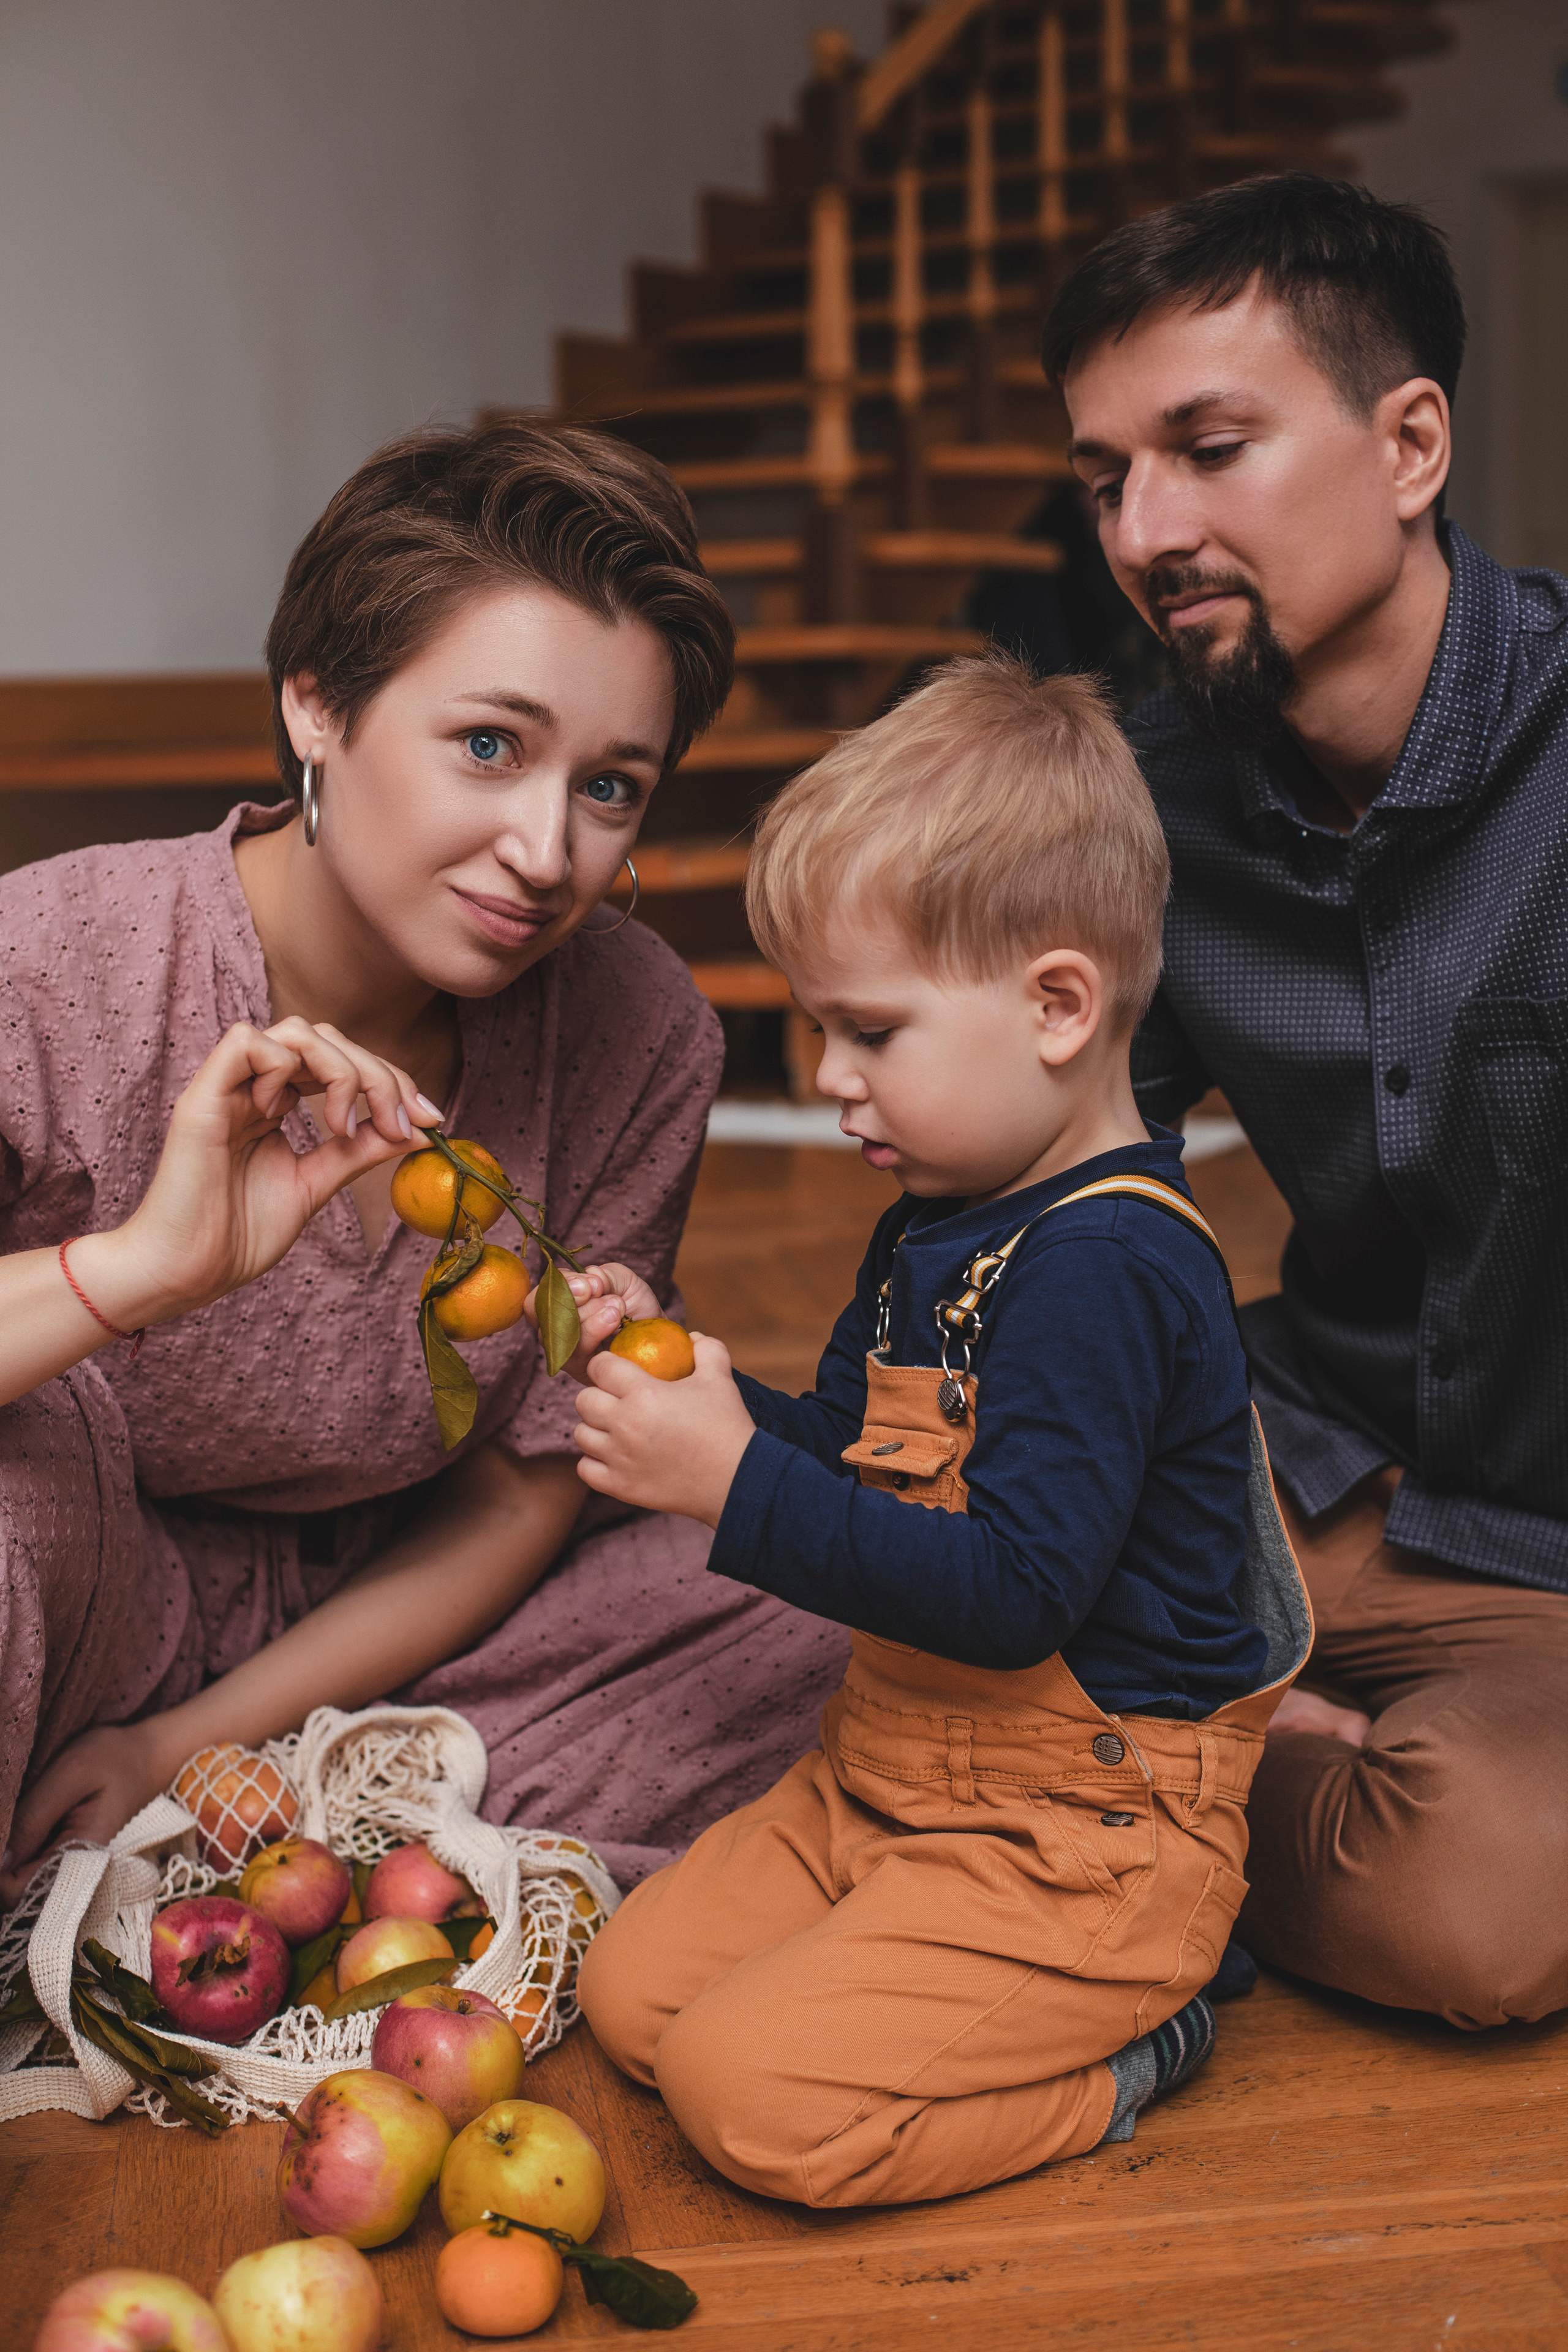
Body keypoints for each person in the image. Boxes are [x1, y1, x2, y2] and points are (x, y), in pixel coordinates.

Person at [0, 419, 850, 1907]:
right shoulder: (52, 967)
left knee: (830, 1573)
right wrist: (141, 1273)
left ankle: (260, 1827)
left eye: (610, 787)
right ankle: (335, 1848)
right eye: (488, 746)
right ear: (316, 706)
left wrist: (183, 1751)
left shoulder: (637, 1031)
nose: (545, 850)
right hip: (71, 1586)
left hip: (418, 1638)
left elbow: (520, 1496)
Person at [567, 655, 1311, 2209]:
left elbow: (1008, 1595)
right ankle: (972, 1982)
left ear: (1055, 1004)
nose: (831, 1080)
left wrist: (723, 1487)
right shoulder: (936, 1220)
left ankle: (1135, 2048)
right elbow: (844, 1444)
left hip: (1080, 1832)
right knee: (632, 1999)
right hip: (888, 1780)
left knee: (746, 2100)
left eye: (870, 1031)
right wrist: (706, 1388)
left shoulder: (1112, 1266)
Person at [1044, 172, 1568, 2030]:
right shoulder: (1142, 797)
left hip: (1552, 1550)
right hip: (1315, 1469)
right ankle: (1165, 1730)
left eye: (1209, 446)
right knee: (920, 1541)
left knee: (1472, 1913)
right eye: (1111, 475)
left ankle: (1123, 1779)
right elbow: (1070, 1184)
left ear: (1409, 442)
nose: (1147, 527)